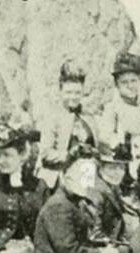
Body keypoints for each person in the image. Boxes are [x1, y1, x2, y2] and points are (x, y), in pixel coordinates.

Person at [23, 153, 130, 253]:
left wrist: (104, 248)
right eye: (79, 175)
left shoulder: (72, 201)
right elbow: (68, 251)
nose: (84, 181)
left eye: (88, 176)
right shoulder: (59, 206)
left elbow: (79, 241)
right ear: (66, 177)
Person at [0, 126, 48, 253]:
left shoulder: (39, 186)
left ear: (22, 155)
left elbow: (47, 229)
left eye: (7, 155)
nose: (1, 161)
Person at [35, 60, 97, 189]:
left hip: (86, 173)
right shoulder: (52, 117)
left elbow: (98, 146)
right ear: (60, 91)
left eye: (77, 93)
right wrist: (70, 154)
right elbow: (45, 154)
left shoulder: (88, 117)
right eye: (68, 92)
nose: (73, 97)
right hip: (58, 175)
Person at [98, 51, 140, 169]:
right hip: (120, 165)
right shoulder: (112, 109)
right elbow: (105, 138)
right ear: (117, 85)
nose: (130, 86)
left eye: (133, 81)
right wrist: (127, 144)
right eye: (124, 82)